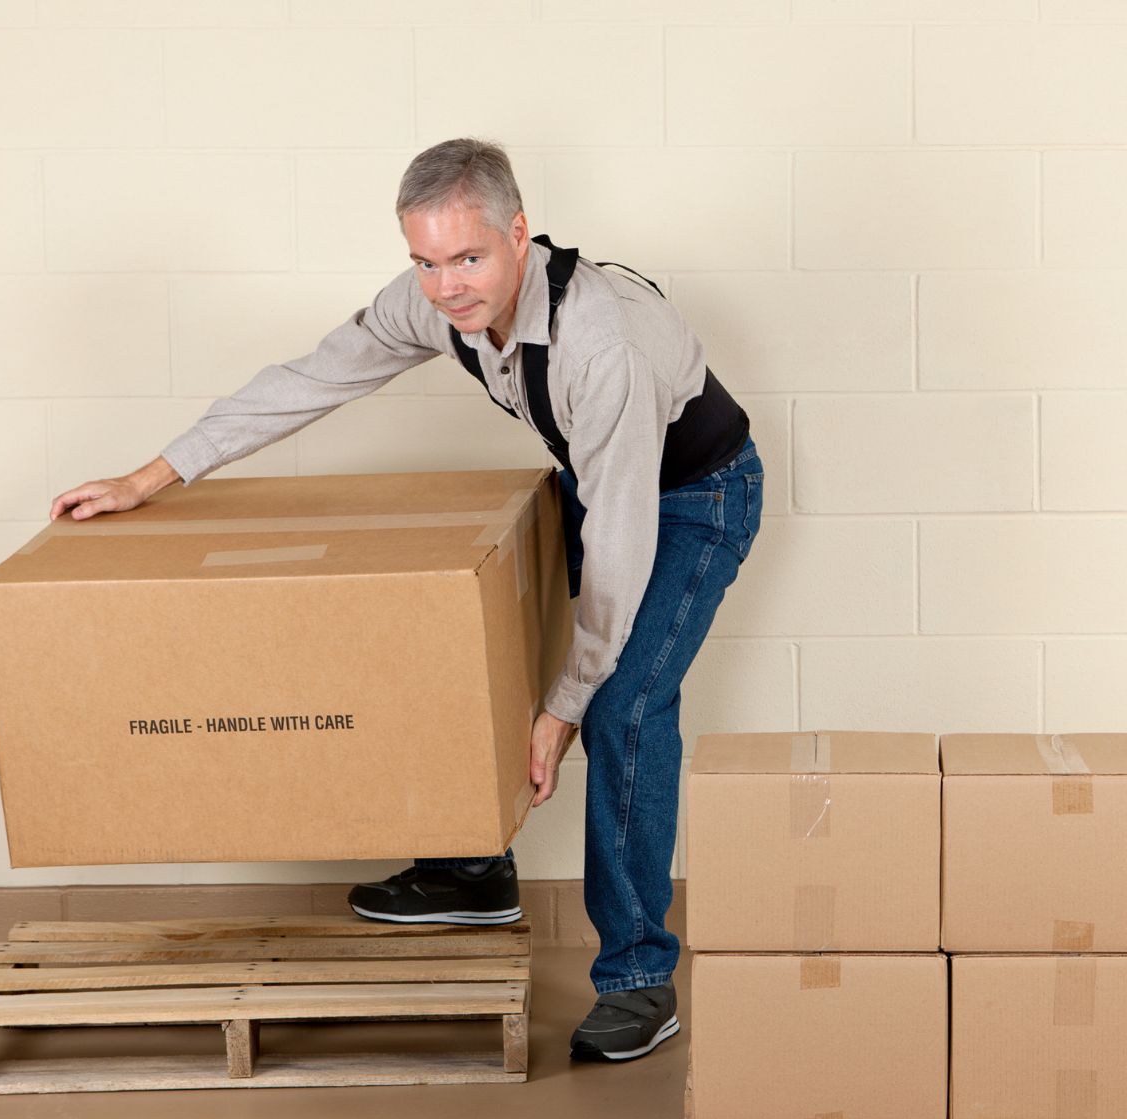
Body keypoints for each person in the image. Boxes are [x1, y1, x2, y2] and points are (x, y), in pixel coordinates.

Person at [46, 137, 764, 1064]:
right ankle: (474, 867)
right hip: (600, 478)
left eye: (468, 258)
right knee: (477, 632)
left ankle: (637, 977)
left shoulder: (603, 347)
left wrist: (565, 706)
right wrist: (154, 476)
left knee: (622, 705)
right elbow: (309, 380)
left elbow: (623, 549)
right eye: (425, 263)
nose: (447, 288)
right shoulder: (436, 304)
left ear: (519, 234)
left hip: (695, 495)